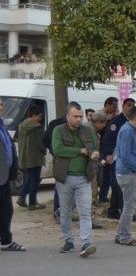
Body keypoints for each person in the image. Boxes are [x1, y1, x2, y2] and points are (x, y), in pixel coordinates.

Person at [52, 102, 99, 258]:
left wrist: (94, 154)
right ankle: (68, 240)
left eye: (81, 116)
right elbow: (58, 150)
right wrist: (80, 151)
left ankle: (86, 242)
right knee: (65, 213)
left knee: (85, 212)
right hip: (64, 178)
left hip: (84, 178)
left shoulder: (88, 130)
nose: (79, 119)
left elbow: (94, 147)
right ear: (67, 116)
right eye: (76, 116)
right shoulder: (58, 130)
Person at [114, 106, 136, 247]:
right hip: (128, 173)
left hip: (125, 172)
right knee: (129, 207)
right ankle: (125, 237)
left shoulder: (129, 129)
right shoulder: (127, 131)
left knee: (128, 205)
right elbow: (125, 155)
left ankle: (120, 234)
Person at [102, 97, 135, 219]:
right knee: (121, 184)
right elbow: (108, 139)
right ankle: (124, 210)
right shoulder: (117, 121)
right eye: (128, 105)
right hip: (116, 156)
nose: (130, 108)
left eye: (132, 106)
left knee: (117, 185)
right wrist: (108, 154)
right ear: (124, 106)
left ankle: (113, 210)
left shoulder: (130, 121)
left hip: (124, 156)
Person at [0, 97, 25, 252]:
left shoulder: (2, 125)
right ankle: (6, 241)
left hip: (4, 176)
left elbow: (8, 147)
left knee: (6, 210)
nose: (1, 106)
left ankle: (5, 240)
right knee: (5, 210)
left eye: (2, 104)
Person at [16, 104, 46, 210]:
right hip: (35, 157)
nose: (40, 119)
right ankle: (32, 203)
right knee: (35, 180)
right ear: (34, 115)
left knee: (30, 178)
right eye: (39, 116)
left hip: (25, 157)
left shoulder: (21, 126)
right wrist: (44, 151)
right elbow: (40, 143)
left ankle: (22, 197)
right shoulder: (37, 127)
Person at [43, 112, 67, 222]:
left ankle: (60, 210)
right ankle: (58, 210)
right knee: (60, 183)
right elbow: (46, 139)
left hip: (62, 158)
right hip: (61, 158)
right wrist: (54, 151)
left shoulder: (54, 123)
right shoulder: (58, 125)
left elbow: (45, 140)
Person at [97, 97, 119, 204]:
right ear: (108, 105)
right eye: (114, 106)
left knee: (107, 174)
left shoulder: (111, 117)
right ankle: (102, 196)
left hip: (107, 149)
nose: (115, 108)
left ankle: (103, 196)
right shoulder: (101, 116)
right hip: (102, 149)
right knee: (107, 174)